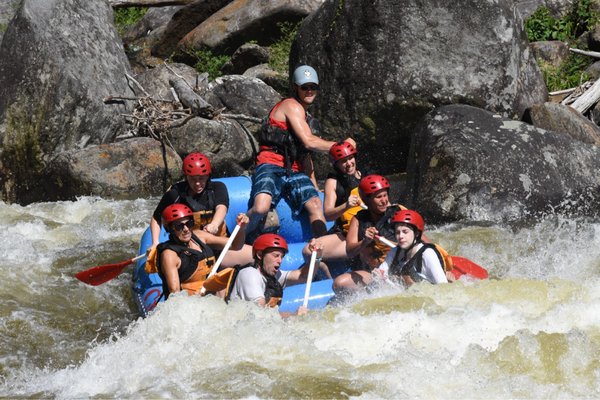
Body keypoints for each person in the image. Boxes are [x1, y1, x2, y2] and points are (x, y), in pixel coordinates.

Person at [245, 64, 356, 241]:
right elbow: (309, 141)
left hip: (294, 170)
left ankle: (322, 249)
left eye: (313, 87)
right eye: (305, 87)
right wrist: (342, 146)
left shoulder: (308, 119)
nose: (309, 91)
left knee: (314, 204)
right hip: (270, 163)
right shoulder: (291, 105)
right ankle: (240, 234)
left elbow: (305, 155)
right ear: (296, 88)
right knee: (261, 208)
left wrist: (313, 184)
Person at [150, 152, 253, 267]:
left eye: (201, 178)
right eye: (192, 179)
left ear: (208, 176)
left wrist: (214, 224)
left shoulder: (218, 188)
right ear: (186, 177)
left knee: (256, 255)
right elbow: (156, 216)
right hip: (191, 250)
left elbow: (221, 207)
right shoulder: (175, 194)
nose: (197, 183)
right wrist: (155, 242)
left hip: (219, 245)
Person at [332, 174, 406, 295]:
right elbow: (350, 251)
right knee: (339, 283)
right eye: (378, 197)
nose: (384, 201)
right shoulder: (358, 219)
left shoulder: (399, 211)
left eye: (385, 195)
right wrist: (365, 241)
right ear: (367, 200)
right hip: (373, 274)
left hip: (400, 270)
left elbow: (420, 240)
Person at [156, 204, 248, 299]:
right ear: (170, 229)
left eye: (189, 224)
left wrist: (242, 229)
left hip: (214, 295)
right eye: (179, 226)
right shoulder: (169, 255)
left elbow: (236, 245)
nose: (186, 229)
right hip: (193, 303)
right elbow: (175, 295)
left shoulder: (200, 236)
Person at [300, 141, 364, 277]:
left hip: (367, 230)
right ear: (336, 164)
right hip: (345, 236)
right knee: (309, 251)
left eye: (350, 158)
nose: (349, 164)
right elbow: (328, 214)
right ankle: (326, 278)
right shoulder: (333, 182)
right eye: (343, 161)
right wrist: (346, 206)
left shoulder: (364, 175)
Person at [226, 233, 323, 315]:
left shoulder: (273, 276)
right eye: (275, 256)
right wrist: (293, 315)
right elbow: (260, 313)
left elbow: (303, 276)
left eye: (282, 257)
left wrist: (317, 257)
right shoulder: (249, 274)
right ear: (260, 255)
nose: (280, 261)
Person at [374, 209, 448, 286]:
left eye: (405, 232)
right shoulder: (395, 251)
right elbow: (382, 272)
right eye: (397, 232)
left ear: (416, 233)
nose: (400, 236)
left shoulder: (427, 254)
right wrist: (378, 275)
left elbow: (443, 287)